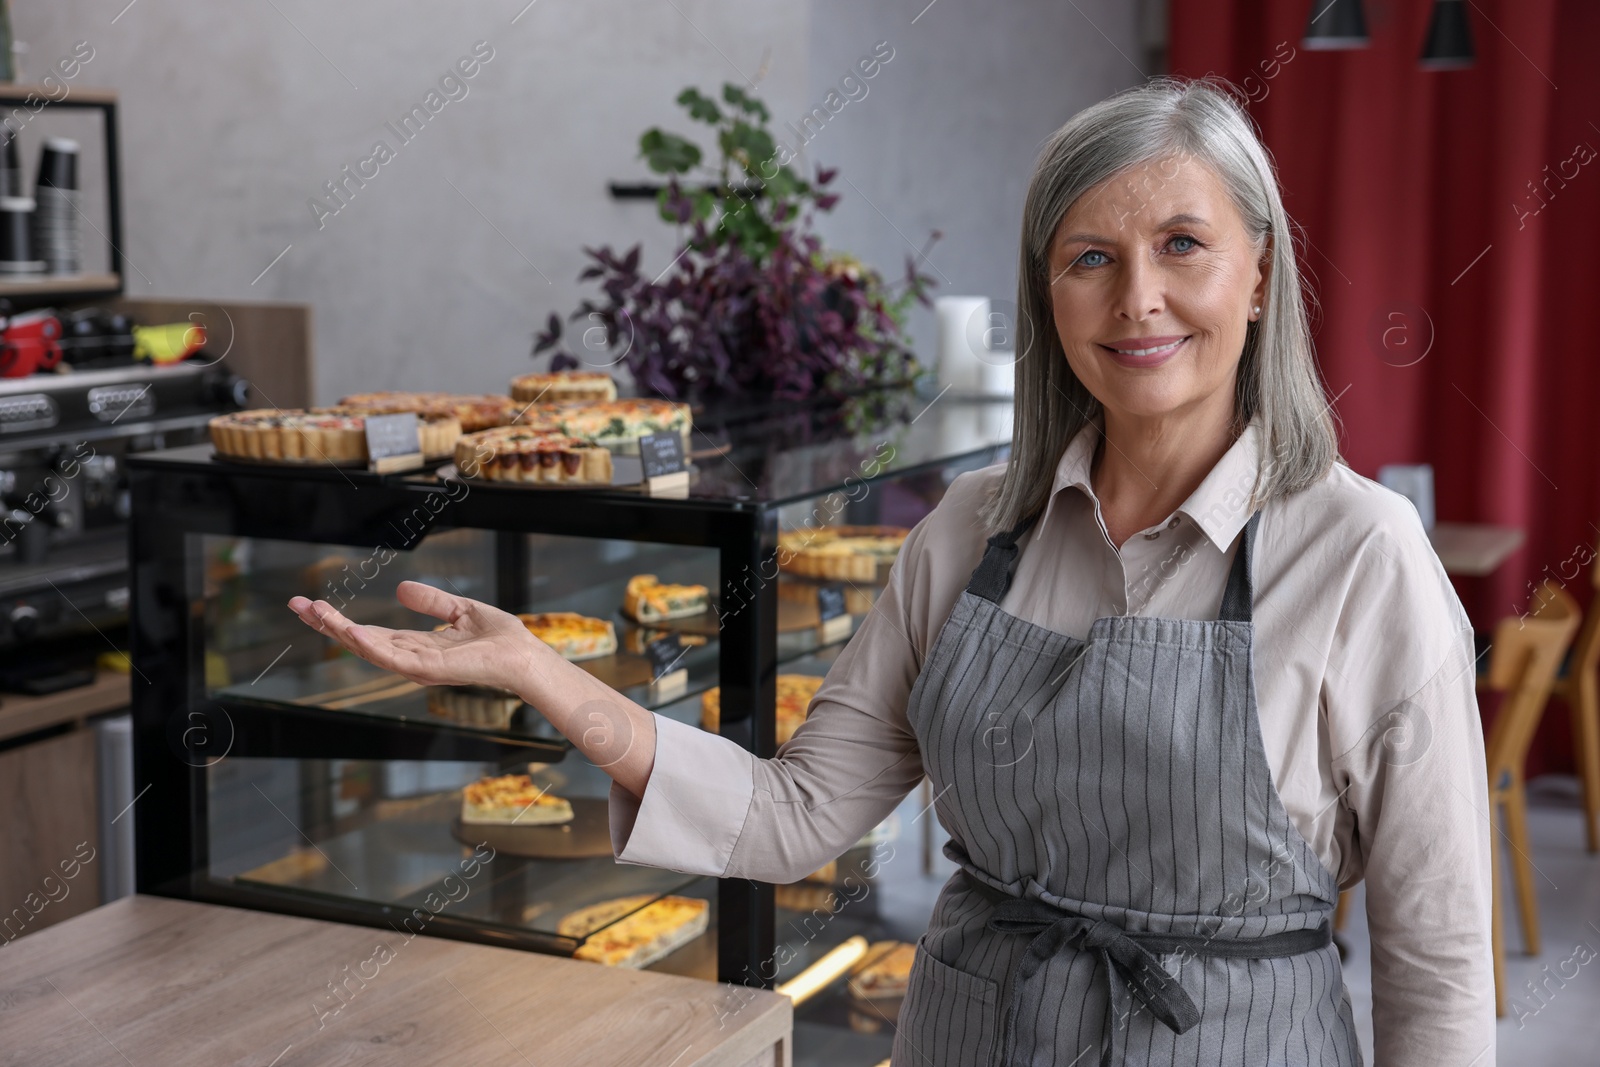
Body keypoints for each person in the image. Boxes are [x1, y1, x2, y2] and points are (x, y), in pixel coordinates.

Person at [290, 79, 1493, 1067]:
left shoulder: (1360, 556)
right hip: (970, 1031)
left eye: (1184, 245)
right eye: (1089, 256)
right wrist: (551, 679)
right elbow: (790, 813)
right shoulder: (971, 530)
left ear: (1261, 273)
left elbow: (1435, 959)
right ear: (1045, 290)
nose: (1138, 298)